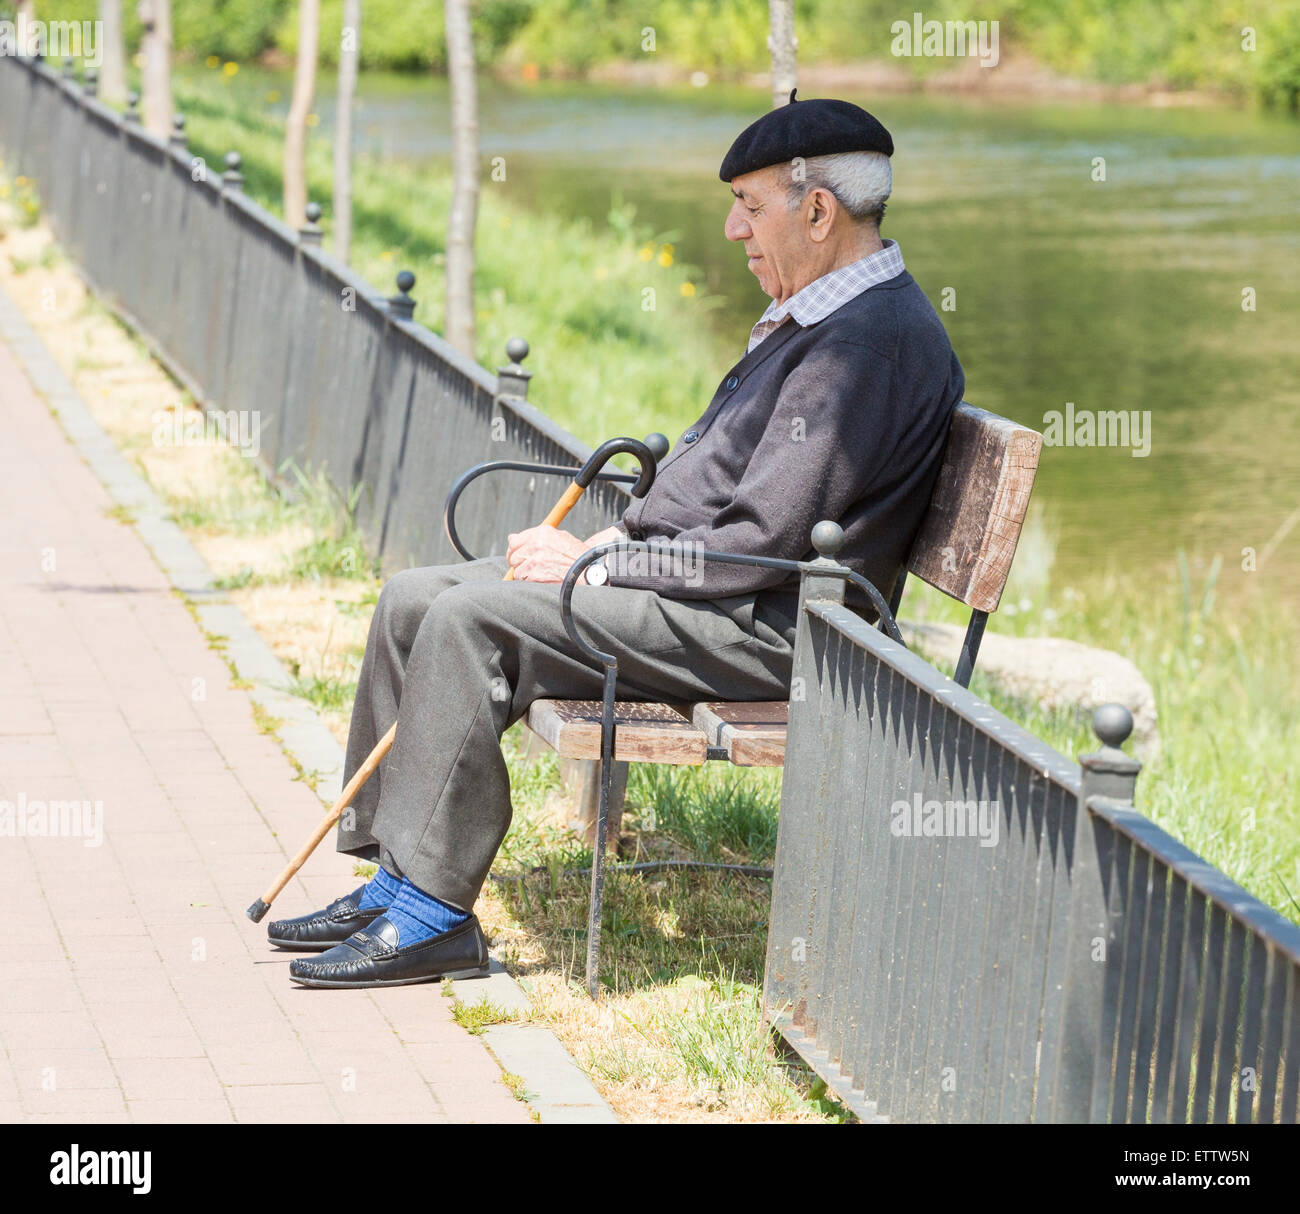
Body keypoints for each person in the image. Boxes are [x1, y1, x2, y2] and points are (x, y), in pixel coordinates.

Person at [270, 93, 965, 988]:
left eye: (750, 206)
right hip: (718, 597)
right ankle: (393, 876)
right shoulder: (827, 316)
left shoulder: (865, 346)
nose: (732, 228)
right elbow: (723, 488)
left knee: (473, 620)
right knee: (417, 598)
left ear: (818, 211)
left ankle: (433, 915)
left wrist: (601, 565)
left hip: (777, 630)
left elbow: (759, 541)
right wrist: (622, 540)